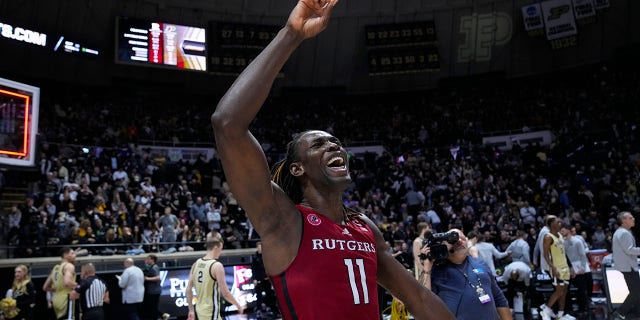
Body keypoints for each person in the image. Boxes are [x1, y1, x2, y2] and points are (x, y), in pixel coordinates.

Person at [210, 0, 454, 318]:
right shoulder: (284, 220)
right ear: (297, 168)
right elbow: (227, 124)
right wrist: (291, 34)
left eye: (337, 143)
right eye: (320, 145)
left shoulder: (363, 227)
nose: (335, 148)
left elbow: (417, 298)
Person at [420, 228, 511, 319]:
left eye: (462, 239)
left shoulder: (480, 263)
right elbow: (423, 303)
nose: (459, 241)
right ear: (444, 245)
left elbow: (498, 297)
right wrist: (427, 266)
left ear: (467, 242)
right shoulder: (436, 271)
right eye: (452, 239)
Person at [185, 236, 244, 320]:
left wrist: (191, 310)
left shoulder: (196, 263)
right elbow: (226, 293)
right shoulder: (216, 265)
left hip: (199, 311)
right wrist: (238, 305)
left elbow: (188, 289)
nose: (221, 252)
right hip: (211, 312)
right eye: (221, 249)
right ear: (216, 248)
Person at [539, 216, 576, 320]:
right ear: (551, 224)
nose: (559, 223)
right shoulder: (548, 237)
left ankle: (560, 315)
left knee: (564, 292)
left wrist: (571, 267)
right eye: (557, 221)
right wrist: (553, 267)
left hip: (565, 267)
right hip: (557, 267)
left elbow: (564, 253)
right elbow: (545, 255)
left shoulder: (559, 235)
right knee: (559, 291)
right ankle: (546, 310)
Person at [610, 211, 640, 320]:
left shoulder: (621, 232)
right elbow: (629, 250)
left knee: (636, 291)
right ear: (623, 220)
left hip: (626, 266)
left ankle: (637, 313)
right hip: (628, 266)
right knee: (636, 292)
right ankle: (620, 312)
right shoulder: (624, 233)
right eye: (630, 218)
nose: (633, 219)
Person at [560, 225, 591, 318]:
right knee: (566, 289)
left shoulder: (578, 241)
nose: (561, 232)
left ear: (568, 231)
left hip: (579, 267)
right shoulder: (563, 243)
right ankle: (569, 309)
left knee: (581, 289)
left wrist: (582, 268)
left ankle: (583, 308)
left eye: (563, 230)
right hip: (569, 267)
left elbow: (582, 255)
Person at [43, 247, 78, 320]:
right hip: (66, 298)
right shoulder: (69, 266)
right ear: (65, 255)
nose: (75, 255)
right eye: (72, 253)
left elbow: (45, 287)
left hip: (56, 299)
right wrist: (78, 286)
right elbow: (67, 282)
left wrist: (58, 288)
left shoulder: (55, 268)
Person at [141, 255, 161, 320]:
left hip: (154, 291)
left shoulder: (155, 267)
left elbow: (158, 277)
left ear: (152, 260)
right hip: (151, 291)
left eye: (148, 259)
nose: (147, 260)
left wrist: (147, 279)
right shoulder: (150, 267)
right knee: (151, 308)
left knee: (153, 308)